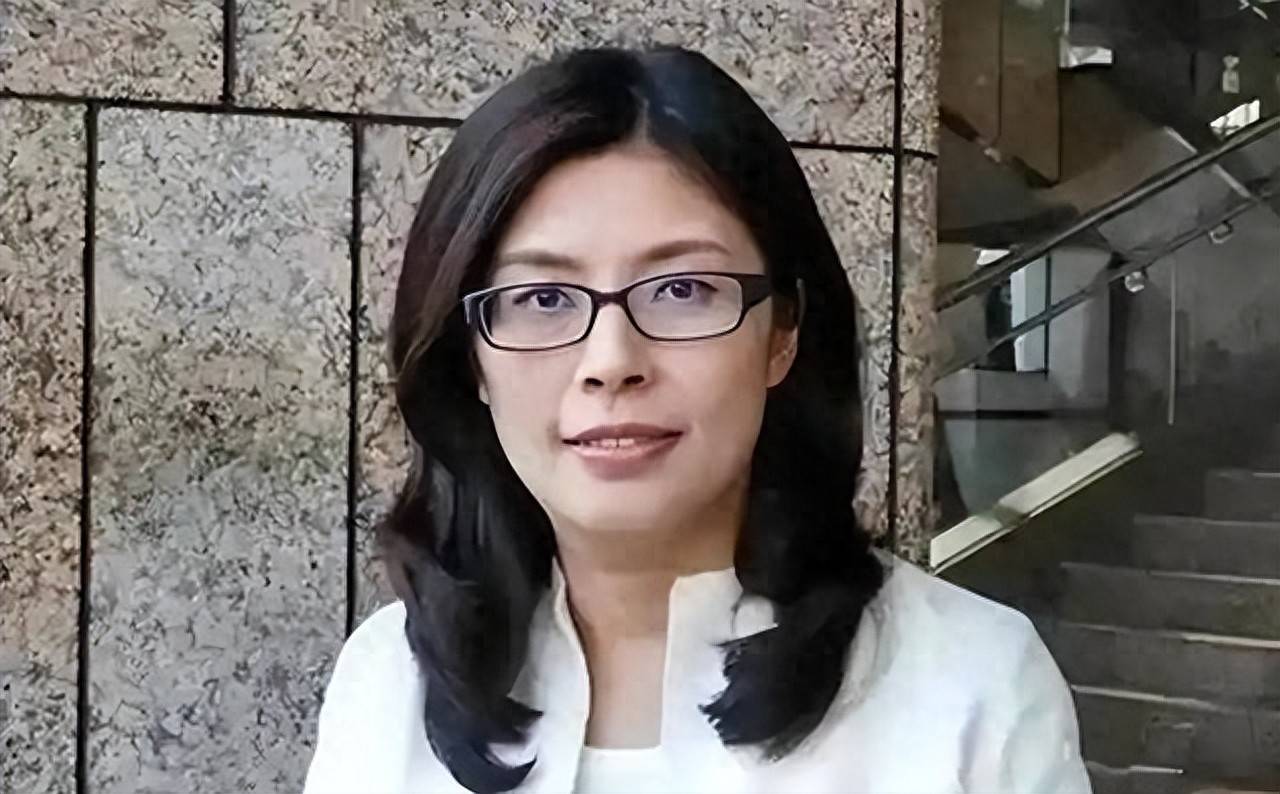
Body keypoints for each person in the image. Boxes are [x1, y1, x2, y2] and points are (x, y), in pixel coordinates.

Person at [302, 46, 1089, 794]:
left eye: (683, 290)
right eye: (542, 298)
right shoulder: (388, 686)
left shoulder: (971, 690)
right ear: (470, 357)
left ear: (782, 332)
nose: (611, 360)